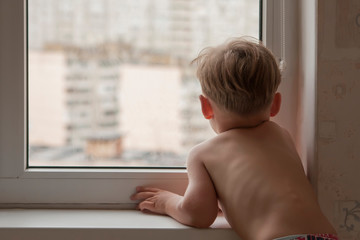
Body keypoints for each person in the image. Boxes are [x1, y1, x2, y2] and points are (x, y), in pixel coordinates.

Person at [131, 37, 337, 240]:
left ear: (206, 107)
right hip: (326, 236)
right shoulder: (282, 136)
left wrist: (167, 202)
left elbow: (198, 215)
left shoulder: (203, 153)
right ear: (275, 104)